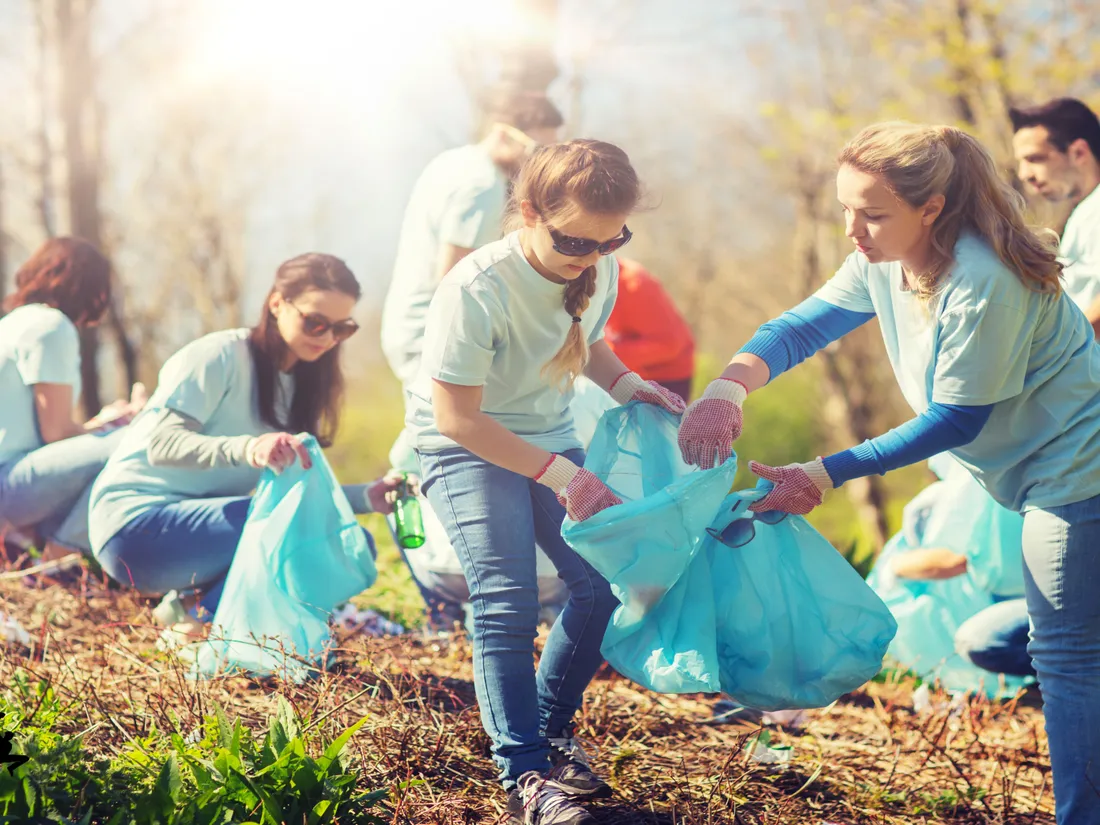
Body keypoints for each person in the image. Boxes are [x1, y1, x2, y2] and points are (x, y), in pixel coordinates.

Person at [678, 121, 1100, 824]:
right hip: (1025, 470)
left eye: (872, 214)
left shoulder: (982, 279)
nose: (854, 229)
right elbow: (800, 327)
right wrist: (728, 387)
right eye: (846, 209)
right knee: (1019, 639)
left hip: (1077, 467)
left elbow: (955, 419)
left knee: (1062, 650)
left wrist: (823, 471)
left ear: (930, 209)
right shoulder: (882, 258)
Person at [408, 139, 685, 824]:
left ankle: (550, 732)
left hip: (546, 434)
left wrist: (630, 386)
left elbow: (583, 342)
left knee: (601, 584)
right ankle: (526, 778)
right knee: (506, 593)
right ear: (528, 211)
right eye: (572, 240)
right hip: (463, 444)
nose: (588, 255)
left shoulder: (597, 267)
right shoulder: (477, 287)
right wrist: (564, 474)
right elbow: (457, 418)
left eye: (608, 239)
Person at [89, 254, 405, 638]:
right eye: (315, 322)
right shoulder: (219, 355)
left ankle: (189, 613)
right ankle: (196, 621)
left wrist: (365, 497)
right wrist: (249, 448)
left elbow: (296, 495)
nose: (326, 338)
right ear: (276, 303)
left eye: (342, 329)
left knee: (352, 542)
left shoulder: (299, 386)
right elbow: (162, 444)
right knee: (298, 535)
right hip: (133, 528)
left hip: (196, 534)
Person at [381, 88, 564, 389]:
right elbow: (456, 281)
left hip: (407, 326)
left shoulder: (453, 161)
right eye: (538, 151)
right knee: (449, 432)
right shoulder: (483, 185)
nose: (538, 164)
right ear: (505, 135)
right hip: (433, 339)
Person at [0, 237, 144, 568]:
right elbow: (56, 433)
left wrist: (103, 423)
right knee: (135, 442)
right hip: (8, 484)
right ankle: (57, 561)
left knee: (117, 439)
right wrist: (119, 427)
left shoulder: (12, 324)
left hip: (12, 478)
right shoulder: (52, 326)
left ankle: (35, 549)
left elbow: (42, 433)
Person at [868, 454, 1033, 693]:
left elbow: (957, 560)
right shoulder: (952, 492)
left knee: (979, 640)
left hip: (1031, 603)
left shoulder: (982, 485)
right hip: (1015, 598)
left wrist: (895, 566)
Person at [1010, 98, 1100, 335]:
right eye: (1020, 162)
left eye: (1035, 158)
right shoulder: (1084, 211)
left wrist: (1060, 347)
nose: (1024, 174)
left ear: (1079, 152)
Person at [605, 257, 696, 400]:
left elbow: (669, 344)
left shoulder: (634, 283)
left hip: (665, 379)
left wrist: (606, 354)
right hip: (622, 374)